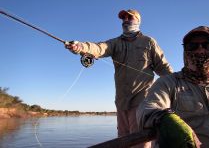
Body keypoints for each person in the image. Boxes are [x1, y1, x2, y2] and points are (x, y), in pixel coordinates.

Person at [65, 9, 173, 148]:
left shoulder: (149, 42)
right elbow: (99, 48)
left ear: (138, 21)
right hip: (121, 103)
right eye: (124, 18)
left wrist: (176, 86)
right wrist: (81, 46)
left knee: (140, 142)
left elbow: (163, 67)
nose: (126, 20)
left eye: (130, 17)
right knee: (123, 141)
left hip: (142, 101)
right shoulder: (115, 43)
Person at [137, 26, 209, 148]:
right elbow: (146, 108)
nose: (200, 51)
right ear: (185, 51)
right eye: (192, 46)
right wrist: (164, 119)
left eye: (208, 46)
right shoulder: (168, 82)